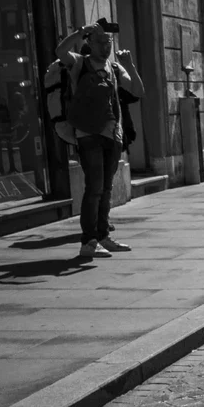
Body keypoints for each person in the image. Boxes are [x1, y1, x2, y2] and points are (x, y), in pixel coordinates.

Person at [54, 20, 144, 259]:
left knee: (105, 189)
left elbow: (138, 91)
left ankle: (103, 237)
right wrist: (79, 33)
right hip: (88, 135)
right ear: (90, 43)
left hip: (113, 135)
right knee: (94, 188)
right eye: (101, 42)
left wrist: (129, 65)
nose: (106, 46)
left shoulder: (114, 67)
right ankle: (89, 242)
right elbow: (60, 51)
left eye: (109, 42)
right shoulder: (79, 63)